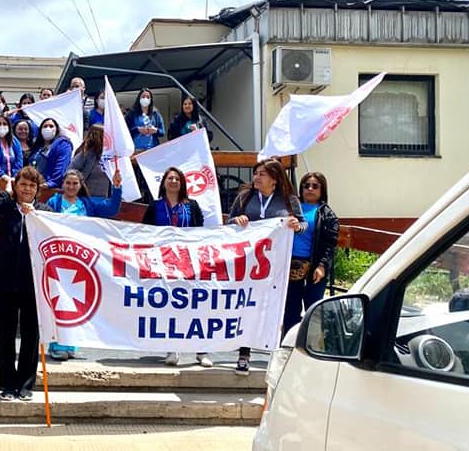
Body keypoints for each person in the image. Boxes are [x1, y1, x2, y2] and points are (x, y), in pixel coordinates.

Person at [228, 159, 305, 375]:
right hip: (250, 266)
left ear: (275, 178)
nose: (256, 177)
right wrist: (236, 220)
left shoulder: (289, 200)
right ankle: (244, 354)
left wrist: (296, 226)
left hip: (277, 265)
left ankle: (280, 354)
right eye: (256, 173)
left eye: (262, 174)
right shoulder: (245, 197)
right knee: (248, 305)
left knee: (278, 307)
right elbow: (228, 221)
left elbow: (302, 224)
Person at [0, 166, 49, 401]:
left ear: (37, 189)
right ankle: (8, 384)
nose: (27, 189)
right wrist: (8, 193)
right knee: (6, 333)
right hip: (5, 280)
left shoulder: (44, 212)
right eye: (23, 184)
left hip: (33, 283)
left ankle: (26, 384)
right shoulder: (5, 207)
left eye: (32, 185)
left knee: (31, 335)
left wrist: (34, 215)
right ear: (16, 186)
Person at [44, 168, 123, 361]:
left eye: (75, 183)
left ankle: (71, 344)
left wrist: (117, 186)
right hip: (58, 260)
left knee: (77, 303)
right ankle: (57, 345)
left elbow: (112, 208)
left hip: (80, 261)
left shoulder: (87, 203)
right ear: (63, 184)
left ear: (80, 185)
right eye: (68, 183)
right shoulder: (54, 202)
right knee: (59, 301)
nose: (71, 187)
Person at [142, 167, 210, 367]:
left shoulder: (192, 206)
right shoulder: (155, 206)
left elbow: (200, 232)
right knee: (169, 304)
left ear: (182, 183)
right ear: (163, 182)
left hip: (188, 261)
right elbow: (144, 232)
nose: (173, 181)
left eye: (177, 179)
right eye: (170, 178)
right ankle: (172, 348)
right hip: (163, 262)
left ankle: (202, 351)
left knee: (194, 305)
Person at [283, 172, 339, 332]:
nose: (310, 189)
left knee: (313, 308)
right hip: (291, 262)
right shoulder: (290, 208)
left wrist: (322, 266)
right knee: (290, 307)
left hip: (314, 264)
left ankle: (313, 342)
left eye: (315, 186)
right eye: (306, 185)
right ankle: (289, 340)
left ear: (322, 189)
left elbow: (330, 244)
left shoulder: (327, 214)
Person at [30, 117, 73, 188]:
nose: (48, 128)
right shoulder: (37, 146)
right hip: (33, 185)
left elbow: (61, 166)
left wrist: (51, 183)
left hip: (49, 187)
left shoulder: (63, 144)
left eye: (51, 126)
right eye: (45, 126)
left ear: (56, 129)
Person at [69, 124, 111, 197]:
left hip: (103, 200)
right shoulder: (84, 154)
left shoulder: (108, 156)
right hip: (84, 198)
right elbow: (70, 171)